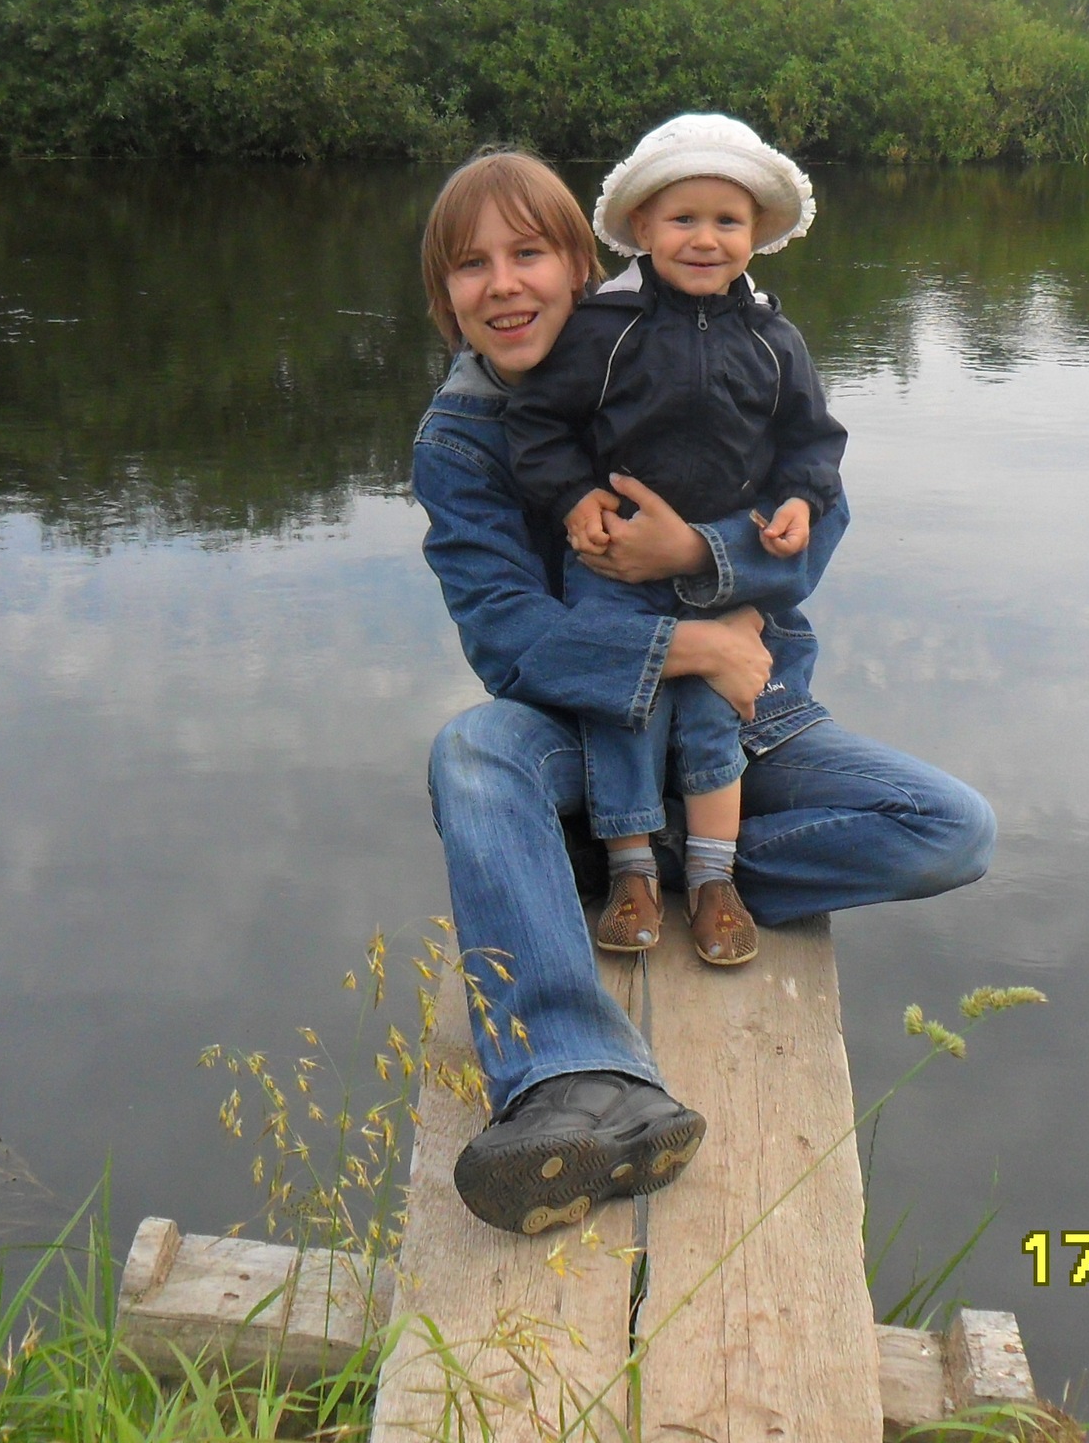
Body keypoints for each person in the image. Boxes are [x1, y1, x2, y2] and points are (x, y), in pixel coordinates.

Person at [413, 144, 995, 1237]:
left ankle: (654, 860)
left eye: (528, 254)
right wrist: (695, 647)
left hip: (743, 717)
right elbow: (508, 639)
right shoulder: (458, 438)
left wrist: (702, 554)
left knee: (951, 829)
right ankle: (574, 1079)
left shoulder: (702, 346)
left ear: (582, 263)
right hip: (584, 727)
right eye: (469, 266)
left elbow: (816, 510)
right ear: (444, 295)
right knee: (472, 753)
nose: (502, 286)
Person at [503, 114, 843, 968]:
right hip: (614, 565)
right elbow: (539, 427)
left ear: (756, 234)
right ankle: (632, 871)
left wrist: (800, 499)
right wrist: (574, 494)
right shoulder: (602, 330)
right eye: (683, 219)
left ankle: (714, 875)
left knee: (712, 709)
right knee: (626, 700)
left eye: (727, 221)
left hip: (721, 576)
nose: (704, 239)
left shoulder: (774, 341)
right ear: (642, 226)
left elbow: (812, 442)